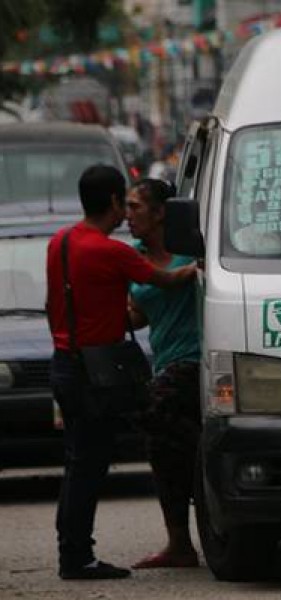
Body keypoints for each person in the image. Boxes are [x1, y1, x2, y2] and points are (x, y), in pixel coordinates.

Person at [46, 165, 196, 580]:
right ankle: (78, 557)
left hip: (64, 362)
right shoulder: (113, 252)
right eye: (124, 205)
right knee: (92, 464)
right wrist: (195, 270)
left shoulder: (60, 242)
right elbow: (165, 280)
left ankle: (71, 551)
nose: (126, 215)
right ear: (112, 202)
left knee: (78, 462)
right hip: (96, 370)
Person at [124, 179, 202, 569]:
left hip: (199, 363)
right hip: (165, 364)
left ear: (161, 213)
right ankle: (179, 542)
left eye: (136, 207)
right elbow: (138, 314)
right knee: (164, 449)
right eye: (126, 206)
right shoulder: (133, 259)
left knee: (156, 413)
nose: (128, 215)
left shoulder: (194, 250)